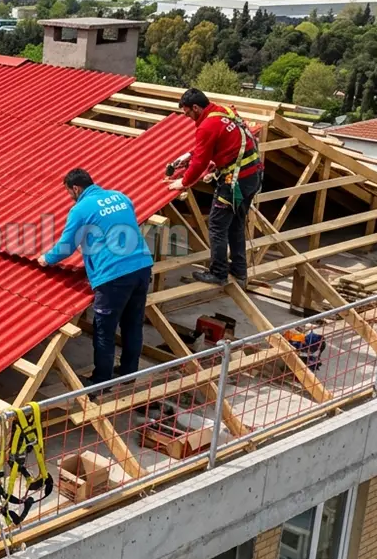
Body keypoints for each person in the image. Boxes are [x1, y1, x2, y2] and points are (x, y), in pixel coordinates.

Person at [38, 169, 154, 388]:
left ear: (76, 188)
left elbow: (66, 246)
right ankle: (129, 374)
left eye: (68, 192)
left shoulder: (79, 209)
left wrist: (47, 258)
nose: (69, 197)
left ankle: (101, 381)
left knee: (104, 330)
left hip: (113, 277)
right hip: (141, 267)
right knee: (132, 325)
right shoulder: (121, 196)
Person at [166, 88, 263, 286]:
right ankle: (239, 271)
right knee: (236, 224)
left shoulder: (206, 126)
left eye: (188, 113)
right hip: (253, 176)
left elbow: (201, 162)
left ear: (196, 107)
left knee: (217, 226)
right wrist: (190, 155)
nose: (187, 117)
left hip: (235, 181)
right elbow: (221, 143)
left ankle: (218, 273)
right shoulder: (223, 111)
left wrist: (183, 183)